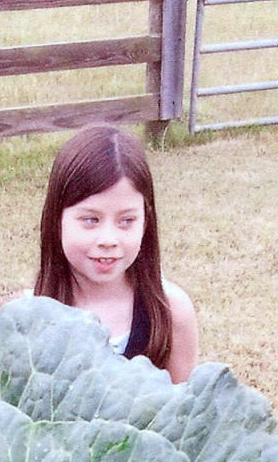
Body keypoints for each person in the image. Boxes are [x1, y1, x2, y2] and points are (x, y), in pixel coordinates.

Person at [35, 124, 200, 383]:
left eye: (126, 221)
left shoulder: (171, 312)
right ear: (57, 219)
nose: (108, 240)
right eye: (90, 219)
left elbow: (186, 415)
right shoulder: (24, 316)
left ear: (146, 221)